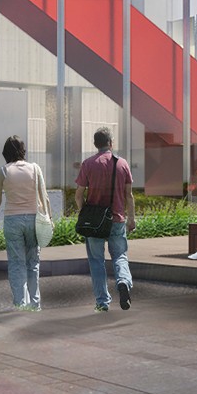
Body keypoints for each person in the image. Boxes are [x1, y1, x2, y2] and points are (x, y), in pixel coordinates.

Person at [0, 135, 51, 308]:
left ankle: (21, 304)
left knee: (17, 264)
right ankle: (35, 304)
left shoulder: (2, 171)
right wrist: (49, 218)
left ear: (5, 153)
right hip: (33, 219)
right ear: (23, 150)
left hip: (12, 220)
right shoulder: (35, 169)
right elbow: (44, 197)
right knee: (33, 263)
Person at [76, 127, 135, 311]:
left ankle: (102, 302)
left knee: (96, 261)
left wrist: (83, 212)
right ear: (111, 143)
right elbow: (129, 195)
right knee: (119, 256)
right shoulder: (122, 164)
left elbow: (78, 195)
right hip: (117, 219)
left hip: (94, 223)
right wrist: (131, 218)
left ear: (95, 144)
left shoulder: (88, 164)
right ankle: (123, 281)